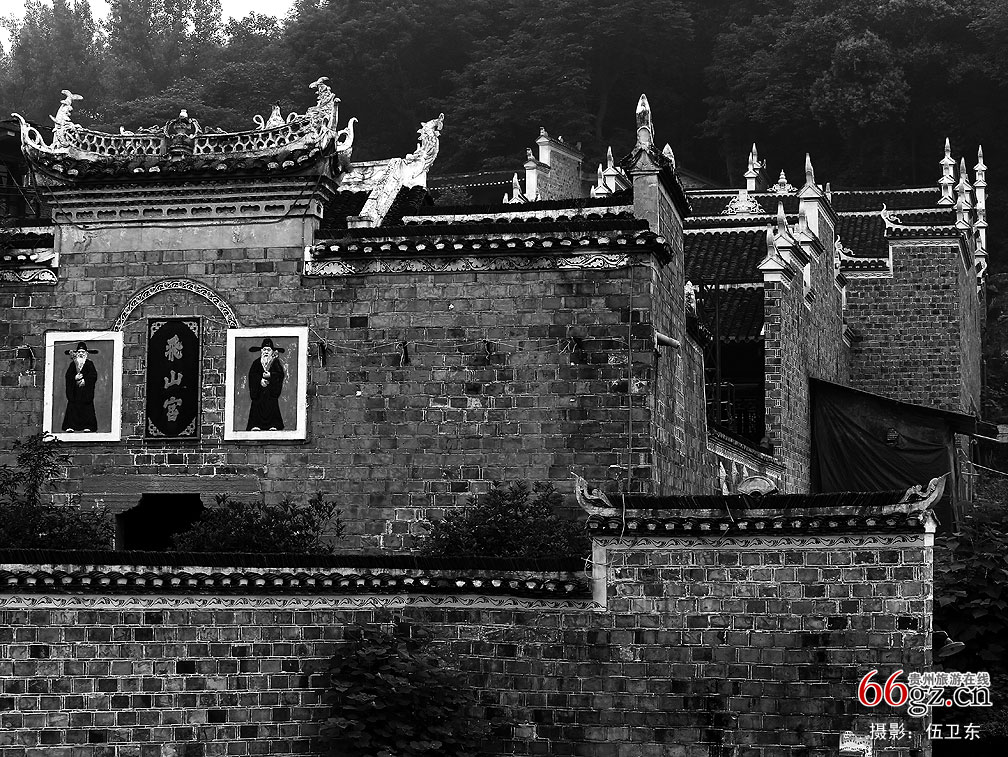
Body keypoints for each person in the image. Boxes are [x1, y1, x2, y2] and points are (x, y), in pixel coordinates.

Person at [246, 338, 285, 431]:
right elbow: (252, 376)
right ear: (261, 351)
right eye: (264, 350)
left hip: (271, 393)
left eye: (268, 350)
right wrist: (260, 381)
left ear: (272, 352)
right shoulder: (256, 363)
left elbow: (280, 375)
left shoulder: (275, 363)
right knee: (256, 405)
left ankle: (274, 425)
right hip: (259, 394)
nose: (266, 352)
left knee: (272, 405)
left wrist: (270, 375)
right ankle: (255, 424)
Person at [62, 341, 98, 432]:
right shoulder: (73, 364)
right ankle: (71, 426)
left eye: (83, 352)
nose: (81, 353)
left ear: (86, 353)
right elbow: (68, 376)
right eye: (79, 352)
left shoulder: (89, 364)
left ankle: (88, 426)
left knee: (87, 408)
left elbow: (93, 376)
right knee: (72, 407)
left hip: (85, 392)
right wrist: (75, 378)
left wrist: (85, 380)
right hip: (75, 392)